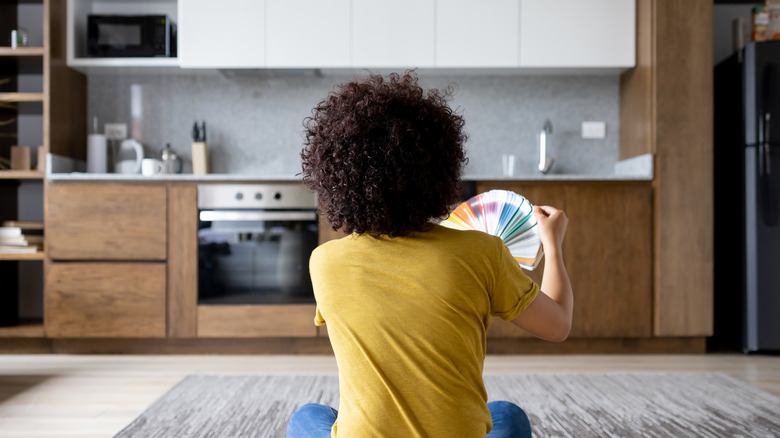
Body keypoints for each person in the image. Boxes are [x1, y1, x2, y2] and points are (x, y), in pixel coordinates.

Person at [287, 71, 573, 438]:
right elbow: (559, 325)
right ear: (441, 169)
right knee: (506, 414)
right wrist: (552, 244)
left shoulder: (324, 262)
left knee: (307, 416)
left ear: (335, 179)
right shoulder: (483, 252)